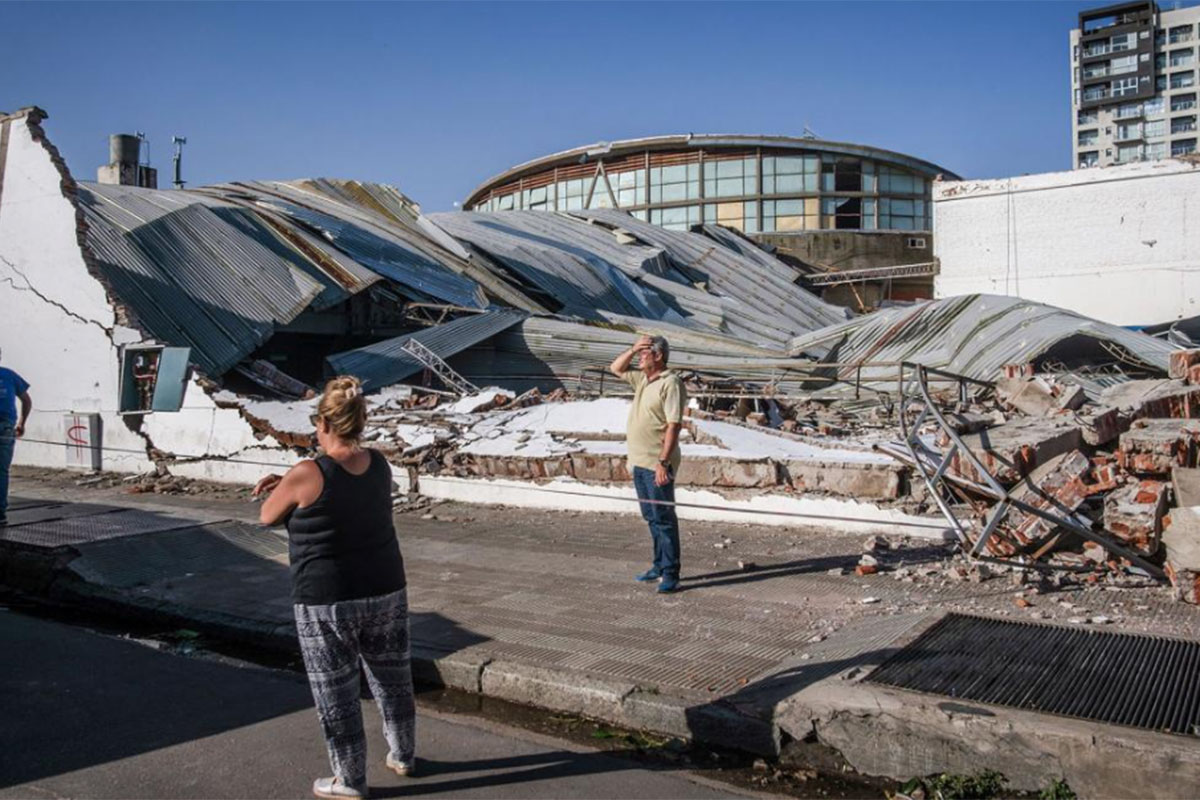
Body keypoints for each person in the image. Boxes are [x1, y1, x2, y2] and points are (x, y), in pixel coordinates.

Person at [255, 376, 414, 800]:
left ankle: (349, 780)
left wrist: (284, 482)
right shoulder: (379, 463)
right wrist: (290, 479)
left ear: (324, 424)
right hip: (386, 587)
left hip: (327, 598)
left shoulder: (308, 471)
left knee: (336, 693)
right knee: (393, 678)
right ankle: (403, 754)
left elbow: (267, 517)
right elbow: (346, 495)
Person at [608, 334, 687, 594]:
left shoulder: (670, 382)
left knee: (663, 518)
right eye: (640, 353)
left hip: (657, 463)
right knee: (651, 517)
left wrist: (663, 462)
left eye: (645, 353)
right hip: (639, 462)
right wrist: (632, 348)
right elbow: (615, 368)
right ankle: (657, 565)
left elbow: (674, 425)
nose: (640, 357)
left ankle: (670, 572)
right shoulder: (643, 379)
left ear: (659, 356)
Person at [0, 349, 32, 527]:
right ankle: (0, 514)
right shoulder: (9, 375)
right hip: (5, 426)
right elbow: (27, 400)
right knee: (1, 471)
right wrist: (21, 423)